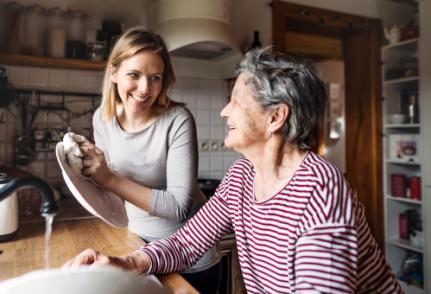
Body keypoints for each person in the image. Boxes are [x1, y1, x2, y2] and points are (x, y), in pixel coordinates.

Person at [66, 47, 402, 293]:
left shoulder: (320, 189)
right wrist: (128, 263)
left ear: (275, 117)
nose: (225, 111)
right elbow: (186, 243)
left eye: (237, 101)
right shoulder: (241, 176)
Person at [77, 27, 221, 293]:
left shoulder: (178, 120)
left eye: (155, 77)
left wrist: (108, 177)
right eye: (134, 75)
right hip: (137, 246)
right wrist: (86, 171)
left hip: (189, 256)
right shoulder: (102, 119)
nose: (145, 89)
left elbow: (178, 206)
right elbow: (111, 193)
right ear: (114, 73)